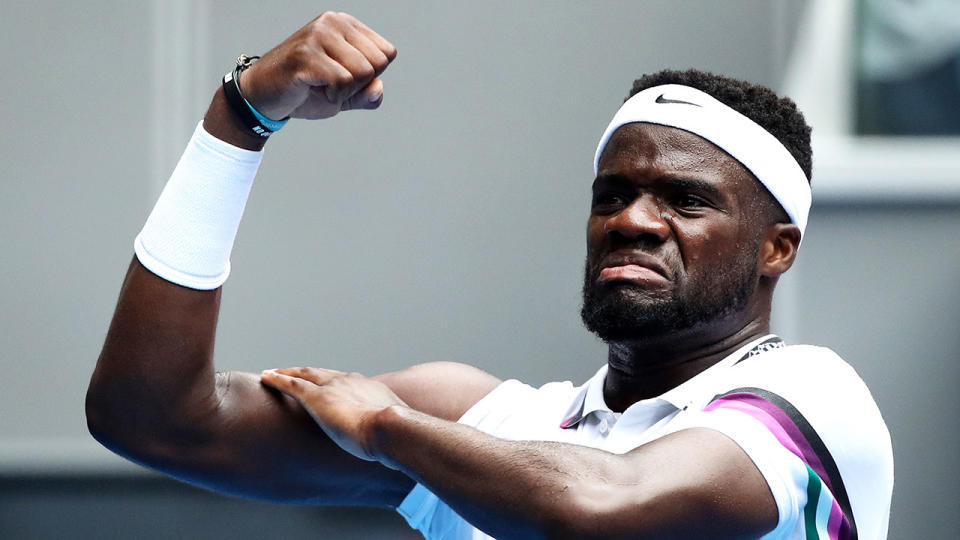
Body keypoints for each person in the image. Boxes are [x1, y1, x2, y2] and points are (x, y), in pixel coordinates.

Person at [85, 12, 893, 540]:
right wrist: (239, 118)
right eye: (613, 194)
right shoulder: (488, 424)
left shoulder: (813, 397)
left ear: (776, 249)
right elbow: (151, 417)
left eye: (685, 201)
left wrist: (387, 430)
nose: (633, 220)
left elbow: (604, 506)